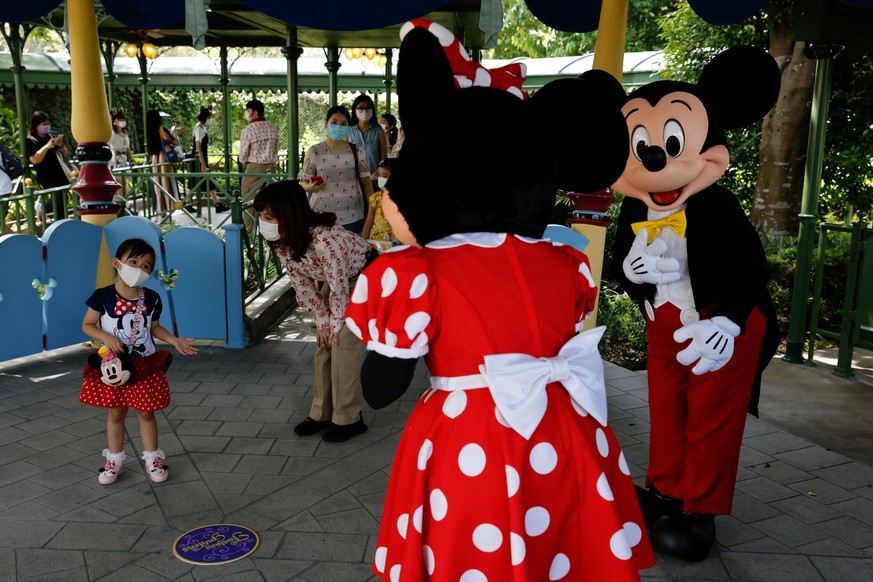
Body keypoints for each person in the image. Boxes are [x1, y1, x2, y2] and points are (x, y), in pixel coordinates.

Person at [345, 21, 654, 580]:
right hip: (565, 434)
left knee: (479, 552)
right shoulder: (567, 264)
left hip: (471, 443)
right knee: (562, 547)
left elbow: (380, 388)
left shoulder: (418, 273)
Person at [254, 181, 373, 442]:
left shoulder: (325, 240)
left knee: (342, 343)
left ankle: (350, 419)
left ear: (289, 214)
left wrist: (335, 324)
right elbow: (301, 284)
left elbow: (340, 288)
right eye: (261, 216)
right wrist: (322, 322)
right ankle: (322, 413)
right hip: (340, 281)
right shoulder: (283, 241)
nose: (263, 222)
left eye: (269, 217)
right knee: (324, 344)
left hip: (365, 279)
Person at [80, 238, 199, 485]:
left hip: (144, 366)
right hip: (114, 367)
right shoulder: (102, 296)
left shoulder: (153, 298)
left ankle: (152, 459)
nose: (138, 268)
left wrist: (174, 341)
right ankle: (114, 460)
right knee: (116, 413)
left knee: (146, 413)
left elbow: (154, 327)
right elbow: (87, 324)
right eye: (133, 261)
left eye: (145, 266)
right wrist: (105, 336)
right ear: (117, 263)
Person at [299, 105, 373, 234]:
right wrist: (310, 187)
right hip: (321, 216)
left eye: (343, 123)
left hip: (353, 216)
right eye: (334, 122)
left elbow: (366, 182)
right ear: (326, 124)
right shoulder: (314, 151)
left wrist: (373, 209)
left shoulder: (357, 150)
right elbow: (303, 181)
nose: (338, 126)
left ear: (348, 127)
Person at [26, 111, 71, 222]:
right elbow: (35, 159)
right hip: (48, 177)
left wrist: (61, 145)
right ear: (36, 126)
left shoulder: (50, 136)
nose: (46, 126)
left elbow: (65, 154)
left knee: (63, 201)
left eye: (48, 124)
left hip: (60, 174)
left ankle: (61, 225)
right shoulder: (31, 141)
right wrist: (47, 146)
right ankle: (42, 209)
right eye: (43, 124)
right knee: (59, 197)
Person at [239, 98, 278, 207]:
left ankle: (250, 224)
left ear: (255, 112)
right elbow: (276, 149)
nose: (246, 113)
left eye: (248, 110)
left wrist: (243, 163)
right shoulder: (272, 127)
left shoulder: (248, 130)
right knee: (270, 201)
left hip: (254, 169)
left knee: (249, 199)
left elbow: (243, 154)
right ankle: (269, 223)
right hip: (271, 168)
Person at [190, 106, 229, 213]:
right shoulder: (199, 129)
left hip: (200, 159)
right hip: (199, 159)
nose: (211, 119)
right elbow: (198, 146)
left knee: (196, 181)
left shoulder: (201, 127)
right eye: (210, 117)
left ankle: (216, 204)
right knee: (204, 180)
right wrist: (202, 163)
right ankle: (217, 204)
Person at [146, 109, 182, 213]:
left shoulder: (149, 132)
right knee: (166, 184)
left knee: (157, 185)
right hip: (164, 159)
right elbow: (175, 142)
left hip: (154, 160)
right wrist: (174, 133)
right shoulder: (161, 129)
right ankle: (168, 209)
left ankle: (160, 210)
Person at [348, 94, 387, 176]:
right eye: (361, 108)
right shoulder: (348, 131)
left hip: (373, 178)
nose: (364, 111)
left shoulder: (378, 131)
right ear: (355, 110)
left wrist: (378, 172)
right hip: (353, 178)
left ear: (372, 110)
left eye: (368, 108)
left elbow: (383, 158)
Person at [361, 158, 396, 249]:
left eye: (385, 176)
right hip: (376, 244)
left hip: (396, 244)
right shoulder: (375, 198)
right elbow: (369, 220)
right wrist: (362, 242)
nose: (381, 179)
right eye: (379, 176)